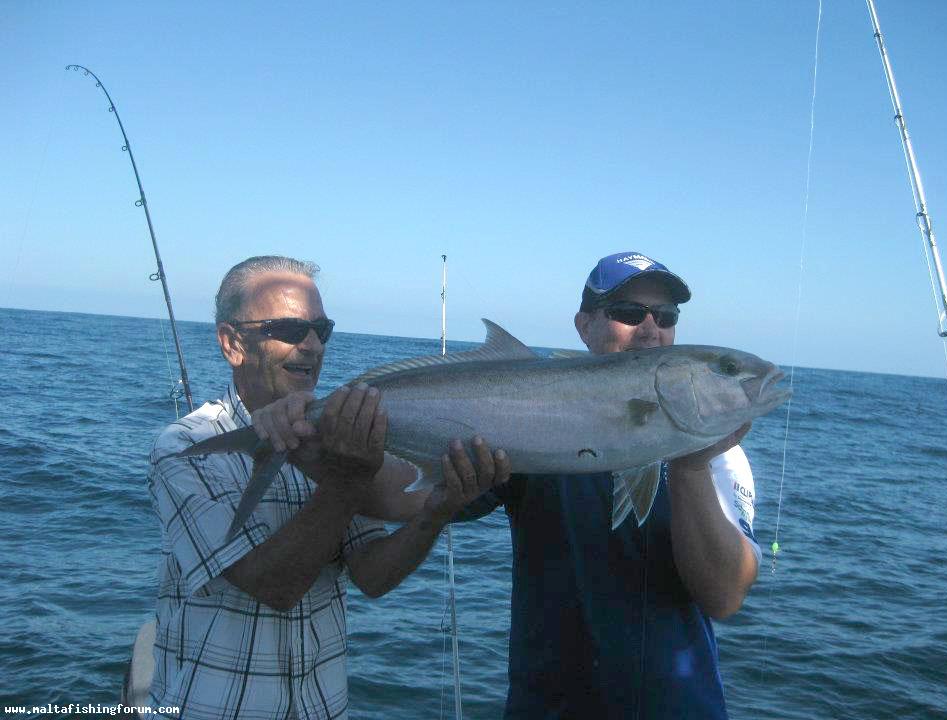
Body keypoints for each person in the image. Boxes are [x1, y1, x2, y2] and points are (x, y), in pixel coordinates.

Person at [144, 255, 509, 719]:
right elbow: (273, 585)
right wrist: (347, 477)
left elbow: (373, 576)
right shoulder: (186, 446)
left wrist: (438, 509)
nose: (313, 345)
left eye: (322, 330)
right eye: (290, 329)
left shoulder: (339, 439)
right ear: (232, 343)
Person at [459, 251, 761, 719]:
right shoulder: (529, 429)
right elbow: (402, 502)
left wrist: (690, 465)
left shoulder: (720, 456)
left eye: (665, 316)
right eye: (627, 313)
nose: (650, 329)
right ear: (583, 326)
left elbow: (724, 597)